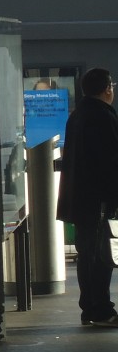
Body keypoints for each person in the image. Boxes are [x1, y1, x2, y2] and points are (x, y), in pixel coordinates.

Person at [56, 68, 118, 327]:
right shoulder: (102, 116)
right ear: (106, 89)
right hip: (98, 200)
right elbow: (110, 162)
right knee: (100, 256)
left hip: (80, 199)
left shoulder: (78, 115)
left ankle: (90, 309)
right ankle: (101, 310)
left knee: (88, 254)